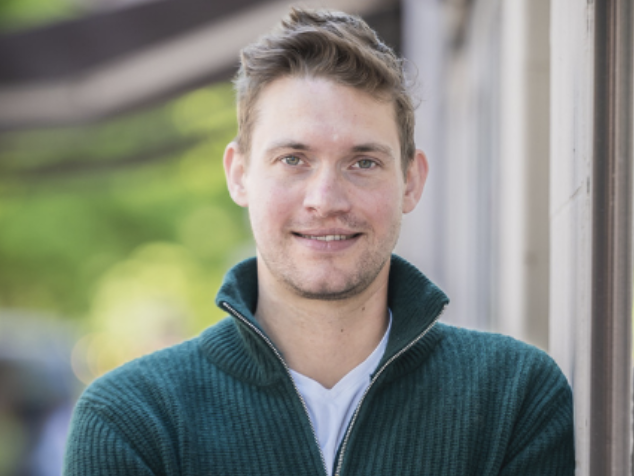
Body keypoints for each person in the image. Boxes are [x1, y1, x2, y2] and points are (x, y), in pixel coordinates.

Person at [63, 8, 574, 476]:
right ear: (239, 175)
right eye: (293, 160)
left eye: (363, 162)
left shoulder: (513, 397)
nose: (326, 200)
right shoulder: (132, 418)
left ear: (411, 182)